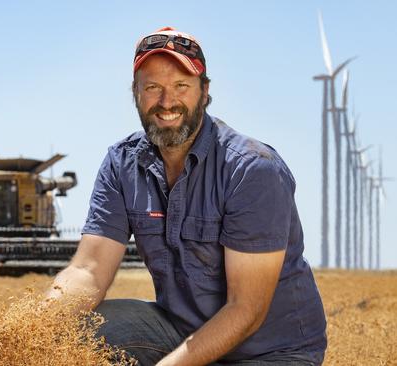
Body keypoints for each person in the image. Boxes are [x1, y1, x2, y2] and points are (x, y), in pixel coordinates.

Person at [46, 26, 327, 365]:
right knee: (79, 329)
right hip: (181, 333)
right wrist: (38, 325)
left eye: (182, 86)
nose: (167, 102)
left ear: (205, 92)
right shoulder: (121, 163)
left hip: (270, 351)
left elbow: (246, 308)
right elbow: (88, 270)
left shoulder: (252, 169)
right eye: (153, 87)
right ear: (135, 92)